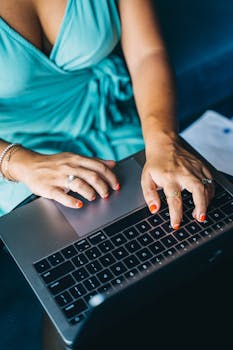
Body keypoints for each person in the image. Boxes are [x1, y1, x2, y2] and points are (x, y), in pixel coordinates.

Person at [0, 0, 215, 348]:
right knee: (79, 281)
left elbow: (147, 53)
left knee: (188, 239)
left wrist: (163, 143)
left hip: (109, 121)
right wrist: (17, 162)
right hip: (18, 156)